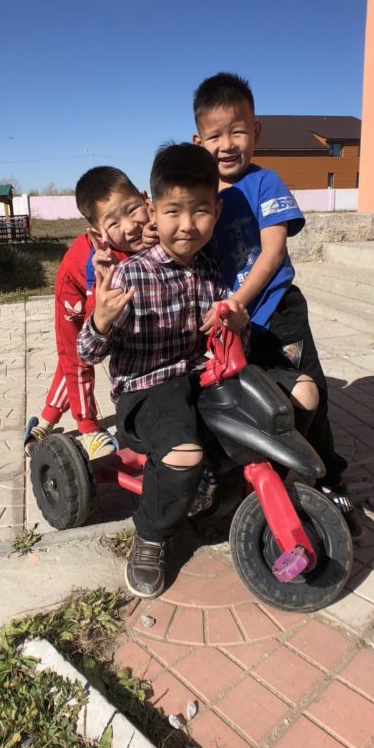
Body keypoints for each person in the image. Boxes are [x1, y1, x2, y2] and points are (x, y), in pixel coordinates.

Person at [79, 143, 301, 599]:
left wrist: (235, 319)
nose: (186, 225)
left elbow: (224, 329)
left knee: (277, 403)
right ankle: (152, 535)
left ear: (217, 213)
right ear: (152, 212)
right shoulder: (129, 277)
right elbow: (87, 353)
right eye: (173, 211)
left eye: (200, 211)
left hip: (198, 380)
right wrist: (100, 320)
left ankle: (232, 491)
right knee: (184, 453)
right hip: (148, 392)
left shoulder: (212, 272)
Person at [192, 71, 363, 539]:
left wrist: (235, 303)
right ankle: (242, 471)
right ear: (197, 139)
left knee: (310, 393)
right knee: (246, 397)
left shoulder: (265, 182)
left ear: (257, 132)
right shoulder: (200, 195)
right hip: (228, 323)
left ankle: (329, 479)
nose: (227, 144)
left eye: (238, 131)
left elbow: (272, 254)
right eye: (215, 135)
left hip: (273, 311)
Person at [23, 166, 154, 461]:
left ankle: (45, 420)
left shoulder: (154, 229)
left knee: (73, 361)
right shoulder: (99, 259)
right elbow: (97, 331)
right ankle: (87, 428)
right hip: (77, 293)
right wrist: (89, 426)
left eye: (134, 210)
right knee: (76, 358)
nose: (131, 225)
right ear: (98, 233)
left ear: (147, 202)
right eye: (114, 222)